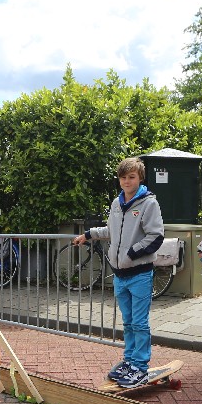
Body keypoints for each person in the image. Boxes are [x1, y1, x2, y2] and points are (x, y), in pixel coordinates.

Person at [73, 157, 165, 389]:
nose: (126, 181)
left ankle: (140, 367)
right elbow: (111, 230)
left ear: (140, 178)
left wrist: (132, 253)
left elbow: (156, 236)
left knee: (139, 323)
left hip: (140, 274)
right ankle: (130, 360)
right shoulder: (117, 203)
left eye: (131, 177)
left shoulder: (149, 204)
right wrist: (88, 235)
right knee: (128, 321)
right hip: (119, 275)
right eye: (123, 177)